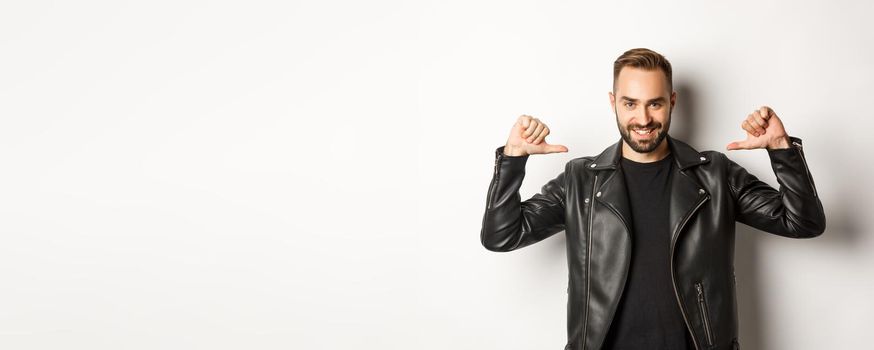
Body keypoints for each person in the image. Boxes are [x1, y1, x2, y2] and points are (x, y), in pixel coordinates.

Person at [479, 48, 826, 350]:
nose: (643, 119)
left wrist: (782, 150)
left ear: (671, 101)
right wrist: (512, 159)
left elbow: (803, 222)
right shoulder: (580, 181)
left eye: (655, 104)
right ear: (613, 102)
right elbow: (501, 235)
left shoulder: (716, 175)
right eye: (630, 103)